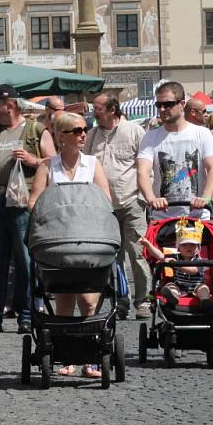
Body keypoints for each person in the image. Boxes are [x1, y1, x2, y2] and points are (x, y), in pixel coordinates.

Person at [28, 112, 111, 379]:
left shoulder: (92, 164)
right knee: (63, 299)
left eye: (84, 129)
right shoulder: (47, 167)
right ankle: (65, 354)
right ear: (60, 136)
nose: (82, 134)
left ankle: (91, 357)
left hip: (88, 239)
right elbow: (34, 202)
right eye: (76, 130)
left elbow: (105, 200)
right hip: (59, 240)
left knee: (88, 299)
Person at [0, 84, 56, 334]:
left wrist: (33, 161)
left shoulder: (36, 130)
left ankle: (28, 314)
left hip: (23, 204)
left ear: (9, 106)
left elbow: (54, 163)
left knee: (26, 260)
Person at [84, 93, 151, 320]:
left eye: (98, 107)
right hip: (104, 207)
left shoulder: (135, 132)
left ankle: (143, 302)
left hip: (132, 201)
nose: (94, 110)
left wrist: (143, 197)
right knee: (113, 257)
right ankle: (120, 302)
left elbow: (146, 166)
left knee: (138, 254)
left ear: (113, 109)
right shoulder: (92, 135)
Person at [136, 81, 213, 222]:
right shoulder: (150, 137)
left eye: (167, 104)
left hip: (197, 216)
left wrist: (205, 198)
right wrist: (152, 199)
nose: (162, 109)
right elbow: (142, 172)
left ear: (181, 104)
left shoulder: (202, 134)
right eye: (159, 105)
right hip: (162, 217)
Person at [139, 219, 211, 307]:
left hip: (196, 285)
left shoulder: (198, 260)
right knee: (171, 285)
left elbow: (193, 270)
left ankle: (205, 301)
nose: (189, 247)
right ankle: (173, 297)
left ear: (198, 248)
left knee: (204, 289)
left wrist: (175, 264)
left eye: (192, 245)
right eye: (184, 245)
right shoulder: (175, 257)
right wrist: (148, 245)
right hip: (179, 285)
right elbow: (161, 256)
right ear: (178, 247)